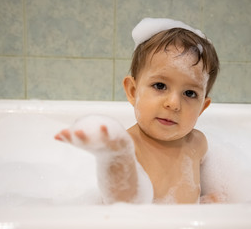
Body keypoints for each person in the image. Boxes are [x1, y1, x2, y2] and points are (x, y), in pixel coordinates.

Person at [55, 18, 220, 204]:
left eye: (190, 93)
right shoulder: (129, 145)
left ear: (202, 108)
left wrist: (212, 199)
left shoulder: (198, 144)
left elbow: (208, 188)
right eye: (160, 85)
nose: (174, 103)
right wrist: (115, 155)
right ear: (133, 92)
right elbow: (123, 202)